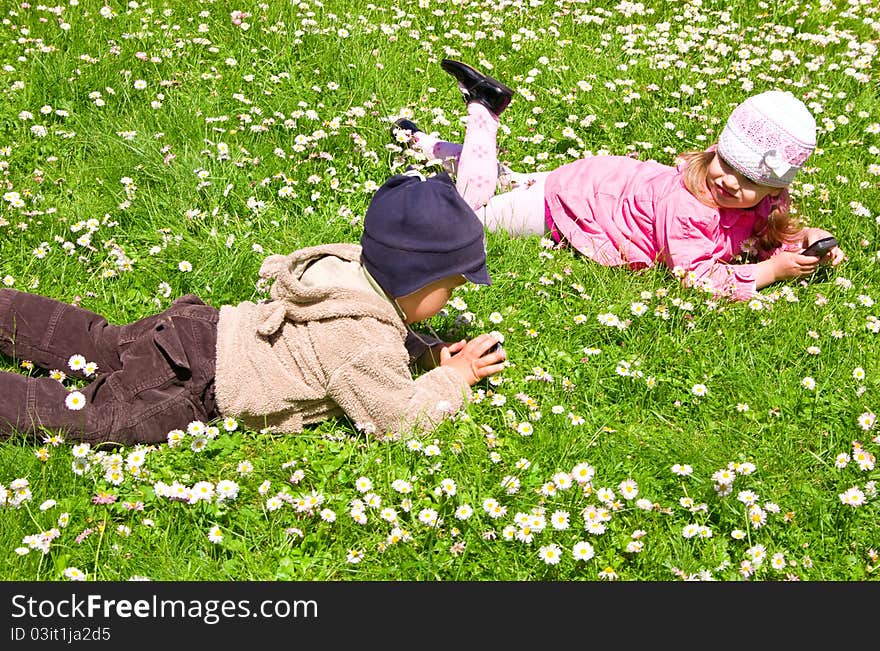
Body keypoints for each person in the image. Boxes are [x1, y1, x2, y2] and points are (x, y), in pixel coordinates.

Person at [0, 171, 506, 446]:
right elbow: (398, 421)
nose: (454, 298)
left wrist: (422, 354)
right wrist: (452, 378)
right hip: (194, 384)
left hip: (198, 328)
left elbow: (367, 324)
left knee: (95, 340)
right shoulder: (361, 345)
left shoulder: (346, 268)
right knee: (99, 417)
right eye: (453, 285)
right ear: (419, 281)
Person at [392, 60, 845, 302]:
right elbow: (697, 277)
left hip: (594, 181)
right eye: (725, 164)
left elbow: (771, 235)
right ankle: (483, 110)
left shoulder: (765, 204)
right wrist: (770, 272)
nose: (728, 183)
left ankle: (419, 141)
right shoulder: (692, 205)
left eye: (748, 181)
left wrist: (810, 240)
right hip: (565, 203)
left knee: (504, 178)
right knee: (467, 217)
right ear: (715, 149)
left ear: (773, 191)